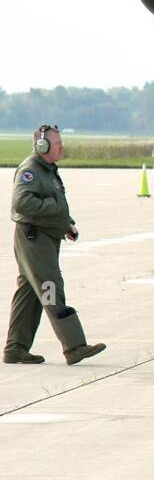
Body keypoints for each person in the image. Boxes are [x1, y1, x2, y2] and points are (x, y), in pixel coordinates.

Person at [5, 125, 107, 366]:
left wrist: (64, 223)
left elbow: (51, 205)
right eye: (57, 143)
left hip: (44, 238)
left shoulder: (46, 170)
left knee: (29, 292)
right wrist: (57, 209)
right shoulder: (30, 171)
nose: (62, 147)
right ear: (42, 146)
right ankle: (74, 346)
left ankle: (15, 348)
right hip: (34, 240)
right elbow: (22, 203)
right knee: (50, 287)